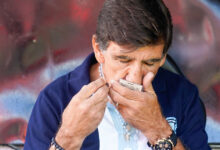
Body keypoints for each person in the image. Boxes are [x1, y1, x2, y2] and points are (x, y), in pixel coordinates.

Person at [24, 0, 210, 149]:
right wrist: (68, 138)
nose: (135, 77)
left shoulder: (183, 95)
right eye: (124, 60)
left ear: (163, 58)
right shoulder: (55, 99)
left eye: (150, 62)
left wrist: (158, 129)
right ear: (98, 49)